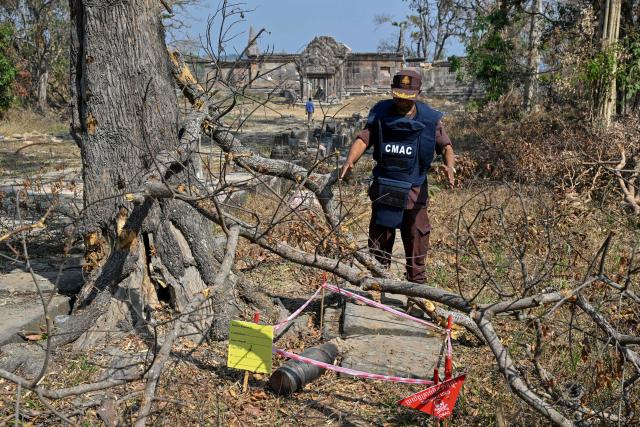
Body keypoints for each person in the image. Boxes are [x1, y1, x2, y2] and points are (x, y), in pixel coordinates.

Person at [339, 69, 455, 285]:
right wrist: (349, 160)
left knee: (416, 239)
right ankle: (377, 283)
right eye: (398, 96)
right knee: (380, 238)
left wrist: (450, 166)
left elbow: (446, 146)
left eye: (407, 98)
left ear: (418, 93)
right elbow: (364, 138)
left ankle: (416, 290)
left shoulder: (430, 119)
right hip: (385, 188)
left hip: (414, 189)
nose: (402, 102)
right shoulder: (381, 113)